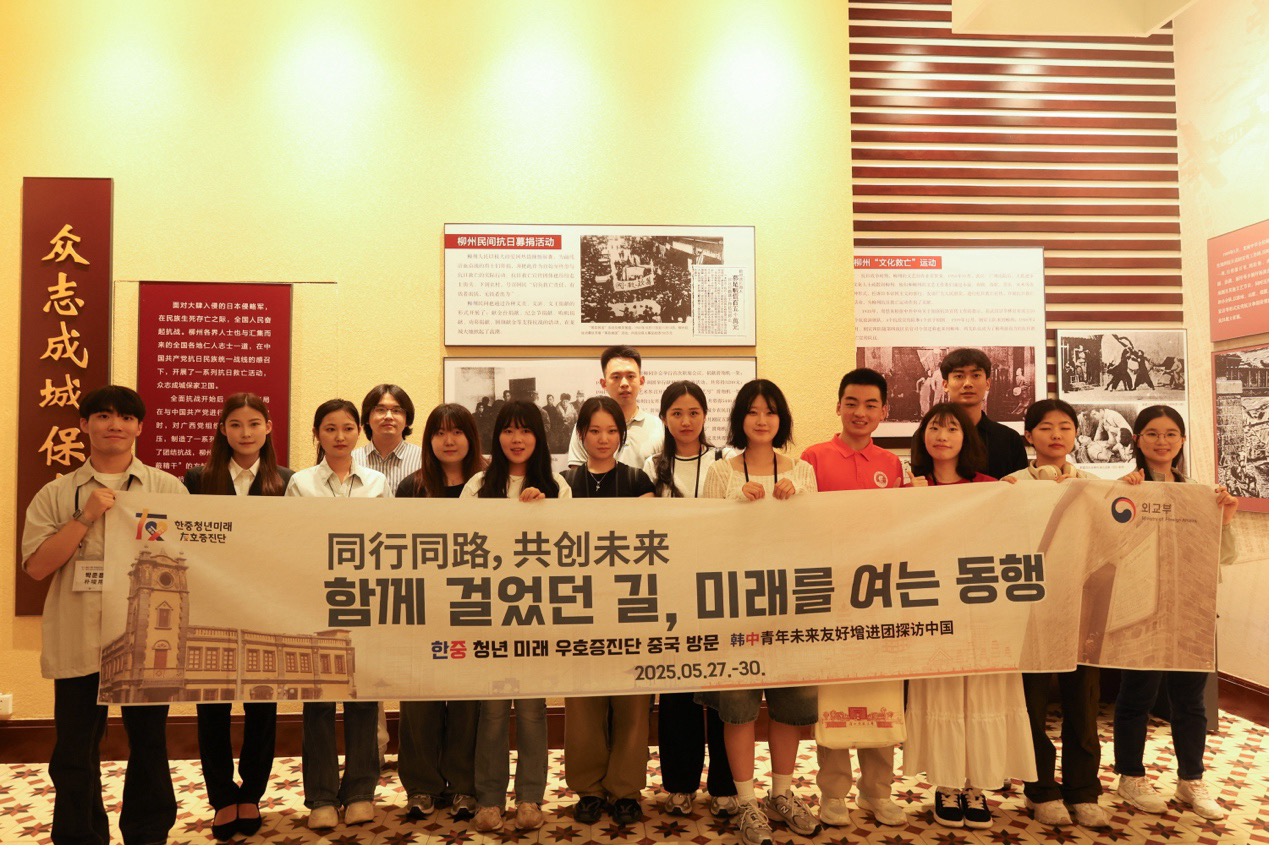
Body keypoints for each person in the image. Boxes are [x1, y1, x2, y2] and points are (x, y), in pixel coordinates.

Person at [21, 385, 186, 845]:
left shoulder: (167, 488)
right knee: (74, 750)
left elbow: (188, 559)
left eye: (126, 417)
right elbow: (36, 567)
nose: (115, 424)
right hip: (80, 637)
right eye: (104, 415)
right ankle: (79, 836)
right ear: (84, 424)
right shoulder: (57, 494)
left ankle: (148, 833)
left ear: (139, 427)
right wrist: (84, 518)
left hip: (146, 640)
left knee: (150, 745)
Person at [902, 402, 1036, 830]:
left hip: (982, 610)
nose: (942, 436)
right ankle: (945, 785)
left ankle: (977, 785)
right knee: (940, 692)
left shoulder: (990, 487)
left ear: (967, 438)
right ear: (923, 436)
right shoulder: (908, 490)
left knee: (984, 692)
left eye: (952, 429)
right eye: (934, 428)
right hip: (932, 610)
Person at [698, 379, 821, 845]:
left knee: (791, 708)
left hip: (790, 605)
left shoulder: (803, 471)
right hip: (735, 608)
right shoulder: (720, 472)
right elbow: (705, 539)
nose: (762, 419)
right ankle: (747, 801)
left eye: (770, 411)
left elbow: (817, 538)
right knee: (738, 708)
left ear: (781, 419)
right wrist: (735, 505)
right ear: (739, 420)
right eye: (752, 411)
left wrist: (801, 502)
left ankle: (784, 794)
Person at [1112, 405, 1238, 821]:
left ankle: (1191, 779)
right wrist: (1119, 496)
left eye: (1170, 434)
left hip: (1190, 609)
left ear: (1182, 441)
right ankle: (1130, 776)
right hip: (1141, 610)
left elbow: (1225, 556)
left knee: (1190, 701)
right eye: (1151, 433)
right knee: (1137, 696)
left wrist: (1225, 517)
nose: (1161, 441)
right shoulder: (1124, 488)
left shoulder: (1200, 493)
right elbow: (1109, 551)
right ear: (1137, 440)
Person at [799, 369, 908, 828]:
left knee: (882, 692)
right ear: (838, 406)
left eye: (870, 405)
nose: (860, 413)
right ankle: (833, 794)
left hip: (883, 598)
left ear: (884, 411)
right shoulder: (813, 457)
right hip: (832, 597)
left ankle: (878, 793)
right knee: (836, 698)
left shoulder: (894, 463)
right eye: (851, 403)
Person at [184, 393, 293, 840]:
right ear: (222, 430)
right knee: (211, 702)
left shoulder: (287, 481)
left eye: (253, 424)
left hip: (267, 606)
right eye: (235, 425)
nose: (245, 433)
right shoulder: (198, 478)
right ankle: (221, 797)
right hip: (210, 605)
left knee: (262, 703)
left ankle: (252, 793)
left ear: (268, 427)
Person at [462, 401, 572, 833]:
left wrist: (542, 514)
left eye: (526, 430)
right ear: (497, 436)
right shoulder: (478, 485)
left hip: (536, 616)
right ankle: (488, 800)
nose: (517, 438)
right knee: (490, 712)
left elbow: (569, 552)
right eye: (508, 430)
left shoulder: (557, 485)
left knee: (531, 710)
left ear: (539, 437)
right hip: (489, 614)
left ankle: (529, 798)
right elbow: (464, 546)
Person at [1002, 400, 1108, 829]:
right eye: (1045, 427)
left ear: (1076, 435)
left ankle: (1083, 789)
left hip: (1082, 608)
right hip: (1030, 608)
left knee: (1084, 700)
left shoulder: (1096, 487)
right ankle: (1041, 789)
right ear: (1029, 436)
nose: (1056, 435)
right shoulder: (1009, 484)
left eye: (1065, 427)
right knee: (1031, 701)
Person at [286, 399, 389, 830]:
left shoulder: (378, 482)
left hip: (366, 599)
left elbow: (392, 539)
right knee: (319, 701)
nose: (340, 436)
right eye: (330, 428)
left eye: (348, 428)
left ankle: (362, 790)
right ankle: (322, 796)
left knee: (364, 697)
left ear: (359, 433)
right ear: (317, 434)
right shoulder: (300, 483)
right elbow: (291, 539)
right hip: (316, 600)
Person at [641, 382, 736, 819]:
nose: (685, 420)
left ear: (705, 416)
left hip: (720, 591)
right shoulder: (650, 465)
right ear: (664, 418)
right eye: (676, 412)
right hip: (671, 589)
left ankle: (724, 785)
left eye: (694, 412)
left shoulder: (724, 460)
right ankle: (678, 784)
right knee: (676, 692)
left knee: (720, 692)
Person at [561, 396, 656, 825]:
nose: (604, 439)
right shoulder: (562, 483)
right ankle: (589, 789)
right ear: (581, 435)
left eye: (612, 431)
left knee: (633, 702)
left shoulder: (639, 481)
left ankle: (625, 789)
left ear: (622, 435)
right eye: (595, 431)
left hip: (632, 608)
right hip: (580, 609)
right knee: (583, 703)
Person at [396, 404, 488, 820]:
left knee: (469, 701)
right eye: (439, 433)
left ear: (471, 437)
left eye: (457, 432)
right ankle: (421, 785)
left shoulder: (490, 485)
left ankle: (465, 785)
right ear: (429, 440)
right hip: (423, 607)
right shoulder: (412, 488)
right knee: (420, 698)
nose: (448, 441)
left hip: (475, 607)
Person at [567, 345, 664, 470]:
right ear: (603, 383)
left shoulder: (658, 427)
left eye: (630, 376)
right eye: (616, 377)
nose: (624, 384)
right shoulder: (586, 426)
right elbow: (578, 478)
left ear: (641, 381)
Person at [941, 348, 1027, 480]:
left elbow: (1020, 491)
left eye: (975, 375)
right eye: (959, 376)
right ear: (945, 384)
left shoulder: (1009, 439)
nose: (968, 384)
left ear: (987, 383)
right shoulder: (930, 438)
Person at [354, 383, 422, 497]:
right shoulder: (352, 460)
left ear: (407, 420)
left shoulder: (423, 459)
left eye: (396, 410)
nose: (388, 416)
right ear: (367, 418)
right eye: (380, 410)